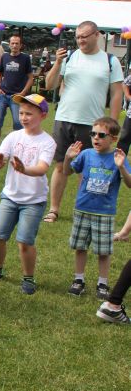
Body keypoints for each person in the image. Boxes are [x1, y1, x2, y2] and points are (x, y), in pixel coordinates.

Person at [43, 21, 123, 224]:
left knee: (87, 168)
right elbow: (49, 85)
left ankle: (82, 210)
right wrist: (57, 63)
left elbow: (116, 94)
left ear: (97, 35)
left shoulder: (110, 61)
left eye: (84, 36)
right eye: (78, 37)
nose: (80, 41)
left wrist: (112, 123)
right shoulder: (69, 57)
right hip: (64, 119)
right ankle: (53, 209)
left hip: (92, 124)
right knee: (60, 166)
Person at [0, 94, 56, 295]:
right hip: (10, 197)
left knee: (25, 242)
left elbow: (42, 168)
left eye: (29, 114)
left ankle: (28, 278)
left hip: (33, 201)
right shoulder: (14, 136)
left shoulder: (47, 142)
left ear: (43, 115)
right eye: (21, 113)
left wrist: (25, 170)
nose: (23, 117)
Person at [62, 117, 131, 299]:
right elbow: (67, 172)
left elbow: (130, 184)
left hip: (105, 213)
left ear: (113, 138)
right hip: (82, 209)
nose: (95, 138)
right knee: (80, 247)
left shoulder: (118, 157)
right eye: (93, 134)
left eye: (101, 135)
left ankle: (102, 283)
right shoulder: (86, 154)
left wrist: (122, 168)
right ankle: (78, 280)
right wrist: (68, 158)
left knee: (103, 251)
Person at [0, 35, 32, 150]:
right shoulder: (4, 57)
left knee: (18, 123)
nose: (14, 45)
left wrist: (23, 93)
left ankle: (17, 149)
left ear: (20, 45)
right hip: (3, 95)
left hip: (16, 97)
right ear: (9, 45)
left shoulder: (25, 58)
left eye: (17, 43)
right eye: (12, 43)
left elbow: (30, 78)